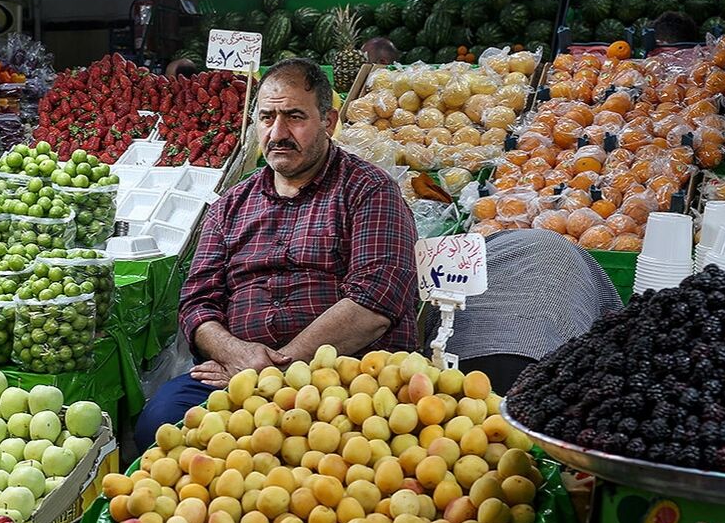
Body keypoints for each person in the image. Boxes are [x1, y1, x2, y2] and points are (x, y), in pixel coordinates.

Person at [133, 58, 419, 447]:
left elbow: (375, 300)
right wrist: (235, 353)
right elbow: (197, 304)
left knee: (336, 450)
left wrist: (276, 366)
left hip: (343, 376)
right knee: (161, 422)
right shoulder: (230, 205)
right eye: (267, 118)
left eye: (295, 117)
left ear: (329, 122)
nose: (278, 132)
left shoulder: (369, 190)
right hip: (236, 373)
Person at [427, 229, 623, 394]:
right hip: (544, 360)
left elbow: (438, 308)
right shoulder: (575, 266)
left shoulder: (488, 253)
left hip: (463, 358)